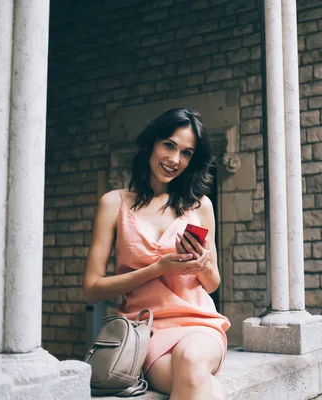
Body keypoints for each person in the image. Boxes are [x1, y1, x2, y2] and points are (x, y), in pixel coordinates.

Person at [83, 108, 230, 400]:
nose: (175, 160)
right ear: (152, 142)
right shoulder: (113, 203)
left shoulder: (200, 206)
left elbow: (213, 284)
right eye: (169, 145)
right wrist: (158, 268)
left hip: (200, 325)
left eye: (187, 153)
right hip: (146, 332)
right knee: (207, 389)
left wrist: (201, 264)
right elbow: (92, 289)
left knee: (190, 359)